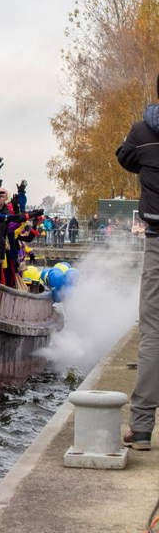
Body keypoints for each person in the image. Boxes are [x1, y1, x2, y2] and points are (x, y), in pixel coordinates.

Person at [115, 75, 159, 451]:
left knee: (153, 333)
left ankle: (142, 429)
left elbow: (124, 157)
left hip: (158, 244)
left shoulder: (143, 130)